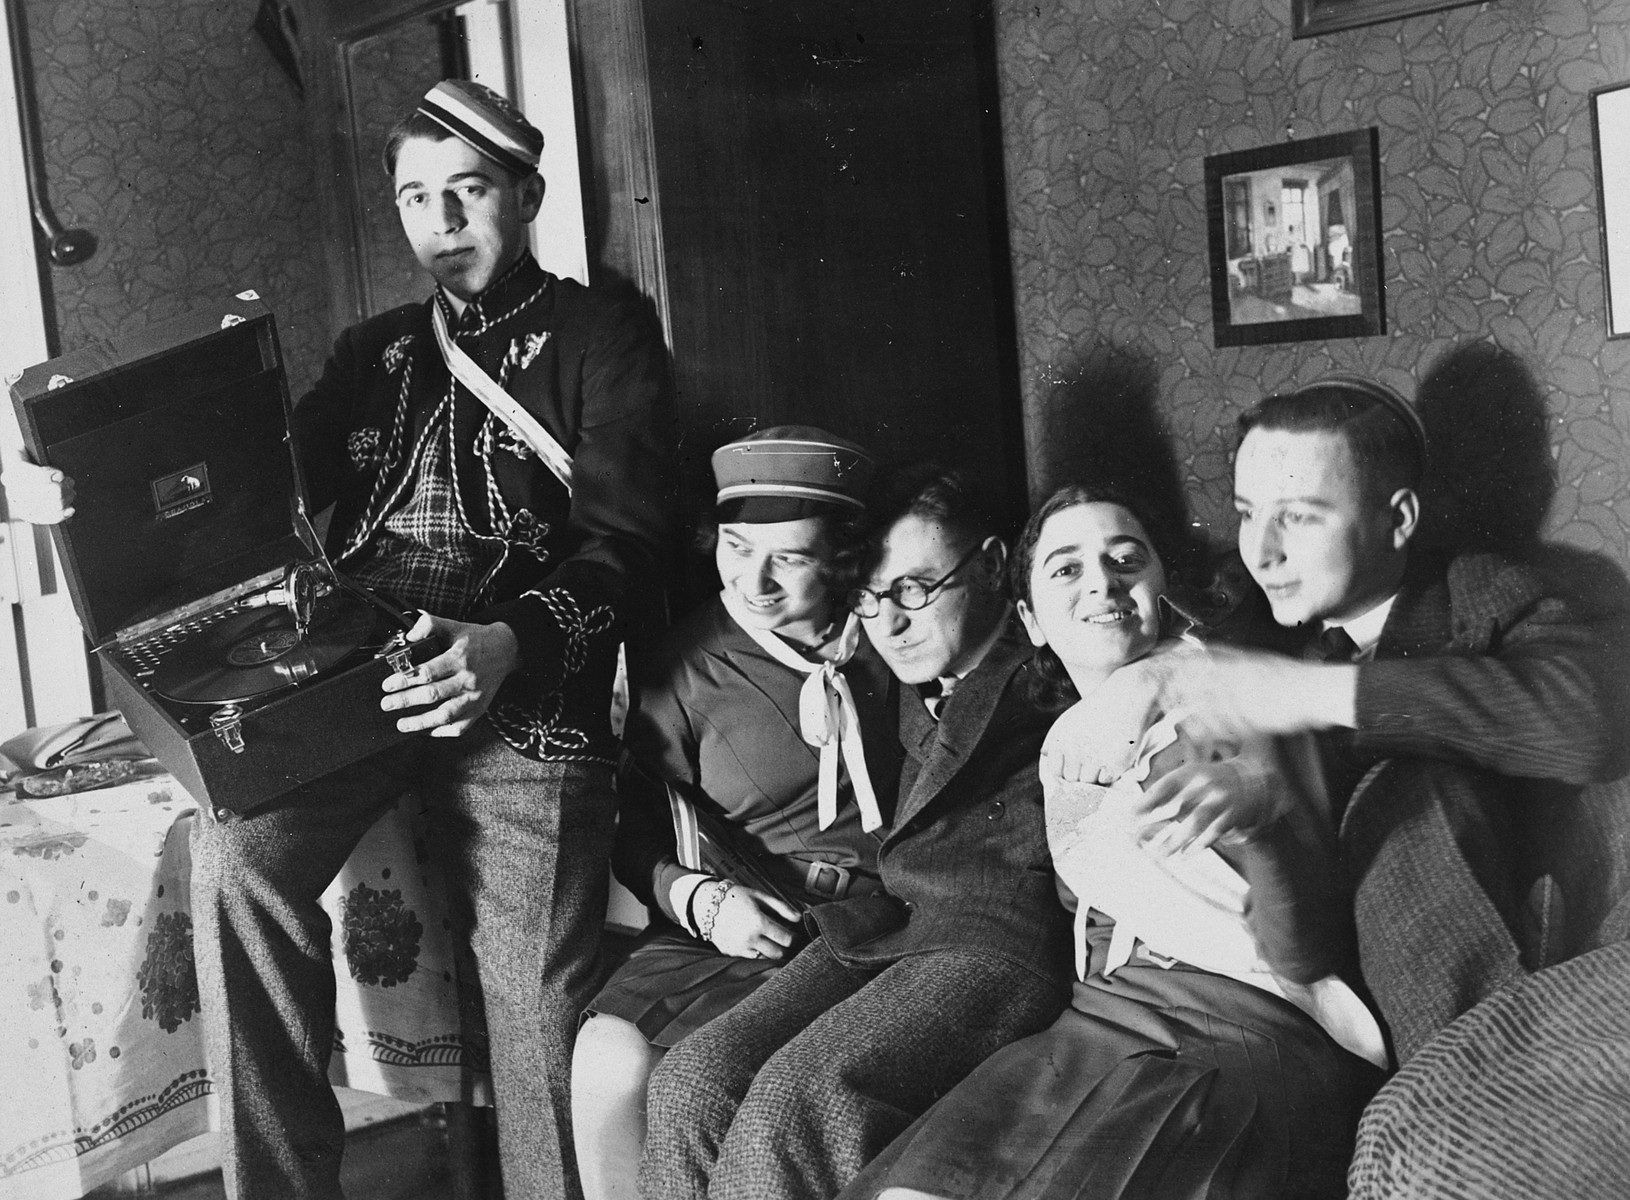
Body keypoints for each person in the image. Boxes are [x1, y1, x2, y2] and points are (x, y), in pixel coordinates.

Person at [5, 79, 673, 1200]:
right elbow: (255, 495)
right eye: (418, 198)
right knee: (235, 866)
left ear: (529, 195)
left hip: (527, 692)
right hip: (359, 676)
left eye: (470, 191)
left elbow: (632, 544)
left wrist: (509, 643)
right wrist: (94, 481)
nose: (444, 223)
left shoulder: (602, 335)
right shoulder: (377, 352)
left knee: (533, 998)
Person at [840, 484, 1387, 1200]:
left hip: (1240, 1036)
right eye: (1067, 568)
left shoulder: (1241, 707)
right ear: (1030, 620)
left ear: (1164, 588)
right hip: (1093, 1030)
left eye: (1126, 559)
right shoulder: (1069, 735)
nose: (1102, 581)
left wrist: (1265, 819)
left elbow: (1312, 949)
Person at [1136, 374, 1626, 1063]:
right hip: (1441, 1047)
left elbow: (1588, 722)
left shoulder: (1485, 590)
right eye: (1248, 514)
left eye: (1299, 517)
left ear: (1398, 520)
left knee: (1411, 784)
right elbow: (1306, 959)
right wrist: (1268, 825)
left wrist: (1314, 695)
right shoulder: (1256, 664)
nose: (1263, 551)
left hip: (1587, 981)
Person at [638, 465, 1073, 1200]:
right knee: (692, 1080)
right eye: (872, 597)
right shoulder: (886, 664)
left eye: (914, 589)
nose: (892, 621)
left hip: (995, 943)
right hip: (884, 929)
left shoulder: (1050, 659)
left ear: (996, 566)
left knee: (795, 1107)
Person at [570, 426, 899, 1199]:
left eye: (788, 557)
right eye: (735, 546)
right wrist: (704, 901)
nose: (755, 580)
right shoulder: (685, 666)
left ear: (844, 560)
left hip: (883, 920)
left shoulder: (896, 637)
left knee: (741, 1085)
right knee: (607, 1061)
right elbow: (635, 831)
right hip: (745, 920)